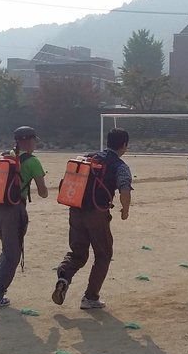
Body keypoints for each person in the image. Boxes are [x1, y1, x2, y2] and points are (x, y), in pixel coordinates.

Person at [51, 128, 133, 310]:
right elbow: (125, 189)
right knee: (103, 254)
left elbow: (67, 180)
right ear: (125, 145)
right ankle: (90, 297)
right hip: (97, 214)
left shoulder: (88, 157)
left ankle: (64, 276)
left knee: (78, 253)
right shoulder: (120, 166)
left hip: (76, 210)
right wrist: (125, 210)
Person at [0, 126, 48, 309]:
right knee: (13, 254)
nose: (35, 144)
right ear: (28, 141)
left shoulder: (5, 156)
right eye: (34, 140)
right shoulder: (33, 161)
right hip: (14, 210)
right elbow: (43, 193)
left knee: (8, 246)